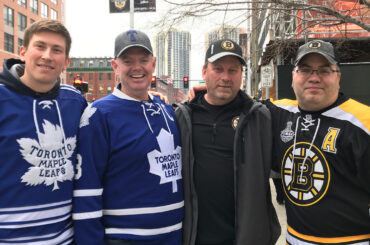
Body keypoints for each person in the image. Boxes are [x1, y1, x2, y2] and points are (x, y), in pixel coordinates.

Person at [72, 30, 183, 245]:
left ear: (154, 63)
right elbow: (87, 188)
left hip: (173, 236)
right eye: (127, 61)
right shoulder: (98, 115)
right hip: (125, 238)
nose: (137, 67)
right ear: (115, 66)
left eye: (143, 59)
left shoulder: (168, 112)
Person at [175, 39, 281, 245]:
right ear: (204, 71)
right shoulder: (182, 117)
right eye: (218, 69)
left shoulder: (261, 117)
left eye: (233, 70)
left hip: (245, 237)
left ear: (242, 75)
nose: (225, 77)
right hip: (194, 237)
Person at [265, 40, 370, 244]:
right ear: (293, 77)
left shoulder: (363, 122)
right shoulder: (279, 112)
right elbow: (234, 102)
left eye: (324, 70)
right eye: (305, 70)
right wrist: (203, 92)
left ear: (338, 76)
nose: (314, 78)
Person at [0, 19, 87, 244]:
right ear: (23, 52)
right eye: (40, 46)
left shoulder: (76, 102)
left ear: (66, 61)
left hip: (64, 239)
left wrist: (145, 99)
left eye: (56, 50)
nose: (47, 56)